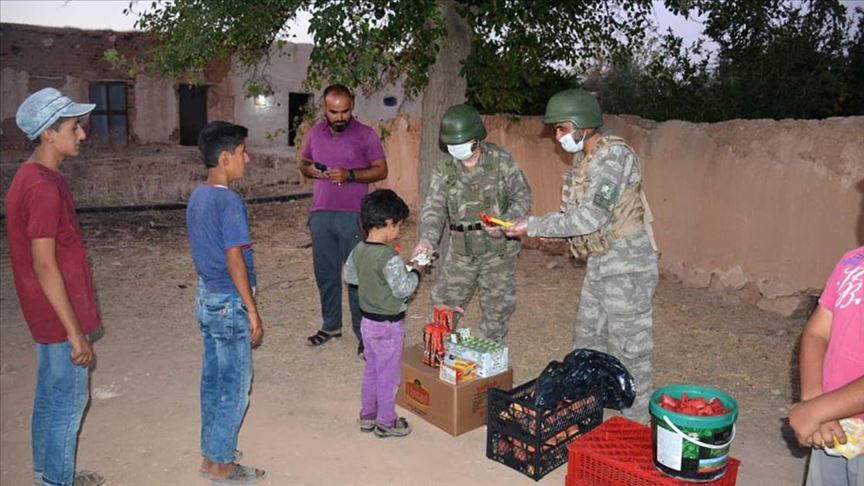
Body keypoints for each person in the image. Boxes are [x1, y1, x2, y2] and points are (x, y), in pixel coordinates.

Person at [504, 89, 659, 424]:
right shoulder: (585, 160)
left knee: (631, 352)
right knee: (587, 345)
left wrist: (531, 225)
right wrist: (537, 232)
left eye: (561, 129)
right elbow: (576, 224)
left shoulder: (614, 157)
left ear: (582, 125)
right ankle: (590, 417)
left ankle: (634, 428)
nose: (557, 137)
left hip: (627, 265)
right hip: (601, 262)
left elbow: (592, 217)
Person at [5, 88, 104, 486]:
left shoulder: (36, 176)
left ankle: (48, 474)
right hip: (58, 315)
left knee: (50, 396)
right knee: (69, 400)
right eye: (74, 127)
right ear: (48, 133)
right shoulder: (42, 186)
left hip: (47, 314)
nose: (81, 134)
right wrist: (74, 332)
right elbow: (45, 265)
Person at [411, 104, 532, 343]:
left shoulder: (501, 161)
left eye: (461, 143)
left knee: (497, 311)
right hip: (461, 252)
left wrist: (505, 224)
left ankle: (485, 361)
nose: (455, 149)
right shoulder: (444, 169)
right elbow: (434, 208)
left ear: (477, 138)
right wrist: (427, 239)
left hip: (499, 252)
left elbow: (523, 198)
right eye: (451, 145)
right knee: (443, 308)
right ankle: (438, 357)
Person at [187, 122, 266, 483]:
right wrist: (252, 310)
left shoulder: (198, 196)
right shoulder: (230, 201)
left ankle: (211, 455)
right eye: (241, 152)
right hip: (229, 301)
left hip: (206, 297)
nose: (246, 159)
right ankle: (223, 464)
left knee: (214, 381)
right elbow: (235, 260)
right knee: (235, 385)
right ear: (224, 157)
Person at [299, 84, 389, 357]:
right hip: (321, 214)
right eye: (333, 111)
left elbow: (381, 170)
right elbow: (303, 162)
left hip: (353, 215)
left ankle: (365, 335)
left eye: (345, 111)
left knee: (356, 278)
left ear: (353, 107)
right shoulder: (315, 132)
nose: (340, 117)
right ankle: (330, 326)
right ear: (324, 109)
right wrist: (310, 169)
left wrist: (349, 175)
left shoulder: (366, 135)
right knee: (325, 275)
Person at [343, 189, 423, 437]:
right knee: (389, 376)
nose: (399, 231)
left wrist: (375, 279)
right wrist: (417, 269)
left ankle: (367, 416)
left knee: (372, 370)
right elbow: (403, 289)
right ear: (388, 223)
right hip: (389, 327)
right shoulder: (390, 256)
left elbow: (350, 277)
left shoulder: (359, 249)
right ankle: (387, 422)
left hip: (367, 323)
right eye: (398, 226)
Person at [789, 247, 864, 485]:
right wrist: (813, 399)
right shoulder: (852, 262)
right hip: (831, 429)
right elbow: (817, 333)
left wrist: (816, 411)